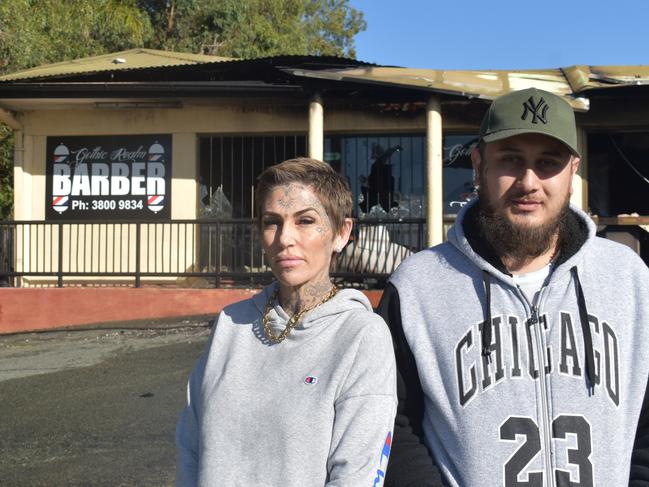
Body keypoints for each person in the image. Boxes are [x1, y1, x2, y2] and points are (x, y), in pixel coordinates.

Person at [379, 88, 649, 486]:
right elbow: (391, 425)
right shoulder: (419, 286)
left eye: (547, 163)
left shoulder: (629, 279)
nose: (529, 182)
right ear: (478, 165)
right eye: (511, 160)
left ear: (573, 171)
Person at [176, 157, 397, 486]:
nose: (284, 238)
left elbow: (357, 474)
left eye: (305, 221)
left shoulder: (361, 336)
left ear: (341, 232)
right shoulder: (229, 325)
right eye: (272, 222)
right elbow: (190, 447)